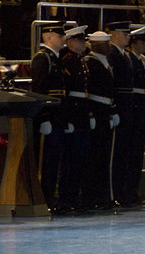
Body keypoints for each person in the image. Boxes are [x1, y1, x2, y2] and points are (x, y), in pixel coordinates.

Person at [30, 21, 71, 214]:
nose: (64, 38)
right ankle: (44, 199)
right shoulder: (42, 59)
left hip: (59, 117)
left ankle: (52, 197)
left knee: (56, 161)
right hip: (49, 118)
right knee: (46, 162)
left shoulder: (57, 58)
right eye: (59, 35)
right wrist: (44, 117)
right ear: (48, 37)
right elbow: (39, 90)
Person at [83, 31, 119, 211]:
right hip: (96, 112)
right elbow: (87, 90)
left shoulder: (106, 62)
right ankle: (92, 197)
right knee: (94, 157)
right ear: (96, 45)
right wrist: (90, 114)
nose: (109, 46)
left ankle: (102, 196)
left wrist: (112, 111)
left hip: (105, 112)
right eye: (106, 44)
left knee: (104, 156)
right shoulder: (90, 63)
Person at [60, 24, 90, 213]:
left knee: (80, 160)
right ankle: (65, 199)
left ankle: (74, 197)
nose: (83, 43)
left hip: (82, 113)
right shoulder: (67, 61)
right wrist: (68, 118)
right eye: (79, 40)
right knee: (70, 160)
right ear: (70, 41)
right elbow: (66, 92)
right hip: (74, 112)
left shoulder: (80, 60)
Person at [105, 21, 134, 206]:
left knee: (125, 153)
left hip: (127, 107)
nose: (128, 37)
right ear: (114, 35)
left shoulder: (124, 55)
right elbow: (111, 84)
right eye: (124, 34)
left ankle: (123, 192)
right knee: (116, 155)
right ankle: (114, 192)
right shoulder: (112, 54)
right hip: (119, 105)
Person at [127, 26, 145, 206]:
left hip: (140, 110)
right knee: (131, 154)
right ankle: (129, 191)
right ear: (134, 44)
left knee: (137, 155)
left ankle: (133, 190)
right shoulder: (130, 60)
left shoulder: (139, 61)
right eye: (143, 42)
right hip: (134, 109)